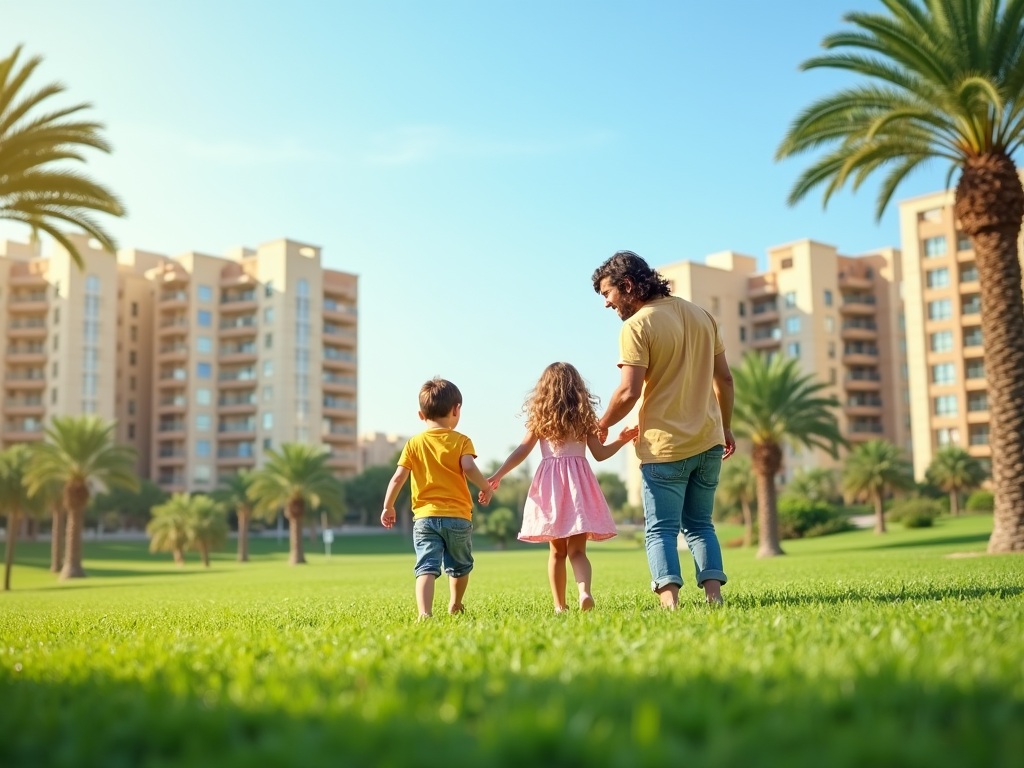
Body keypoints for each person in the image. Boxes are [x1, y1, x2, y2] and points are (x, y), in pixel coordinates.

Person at [592, 251, 736, 608]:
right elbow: (726, 380)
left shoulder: (637, 325)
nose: (608, 305)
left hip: (664, 447)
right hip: (709, 441)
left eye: (608, 295)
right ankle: (714, 598)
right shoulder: (703, 315)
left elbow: (628, 391)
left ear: (627, 286)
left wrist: (602, 424)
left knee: (661, 529)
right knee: (701, 524)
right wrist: (726, 427)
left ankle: (670, 605)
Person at [488, 362, 638, 613]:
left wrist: (498, 474)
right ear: (577, 389)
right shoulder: (585, 419)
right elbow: (599, 455)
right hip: (579, 486)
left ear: (544, 391)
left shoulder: (541, 420)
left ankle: (560, 606)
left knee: (557, 553)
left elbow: (522, 450)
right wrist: (621, 440)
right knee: (578, 552)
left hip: (552, 488)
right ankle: (584, 592)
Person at [381, 377, 493, 619]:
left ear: (421, 415)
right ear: (457, 410)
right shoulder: (462, 440)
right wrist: (486, 487)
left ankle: (425, 613)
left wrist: (388, 506)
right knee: (460, 566)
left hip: (424, 519)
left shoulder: (413, 443)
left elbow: (398, 478)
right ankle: (455, 603)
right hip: (458, 518)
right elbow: (470, 468)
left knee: (426, 567)